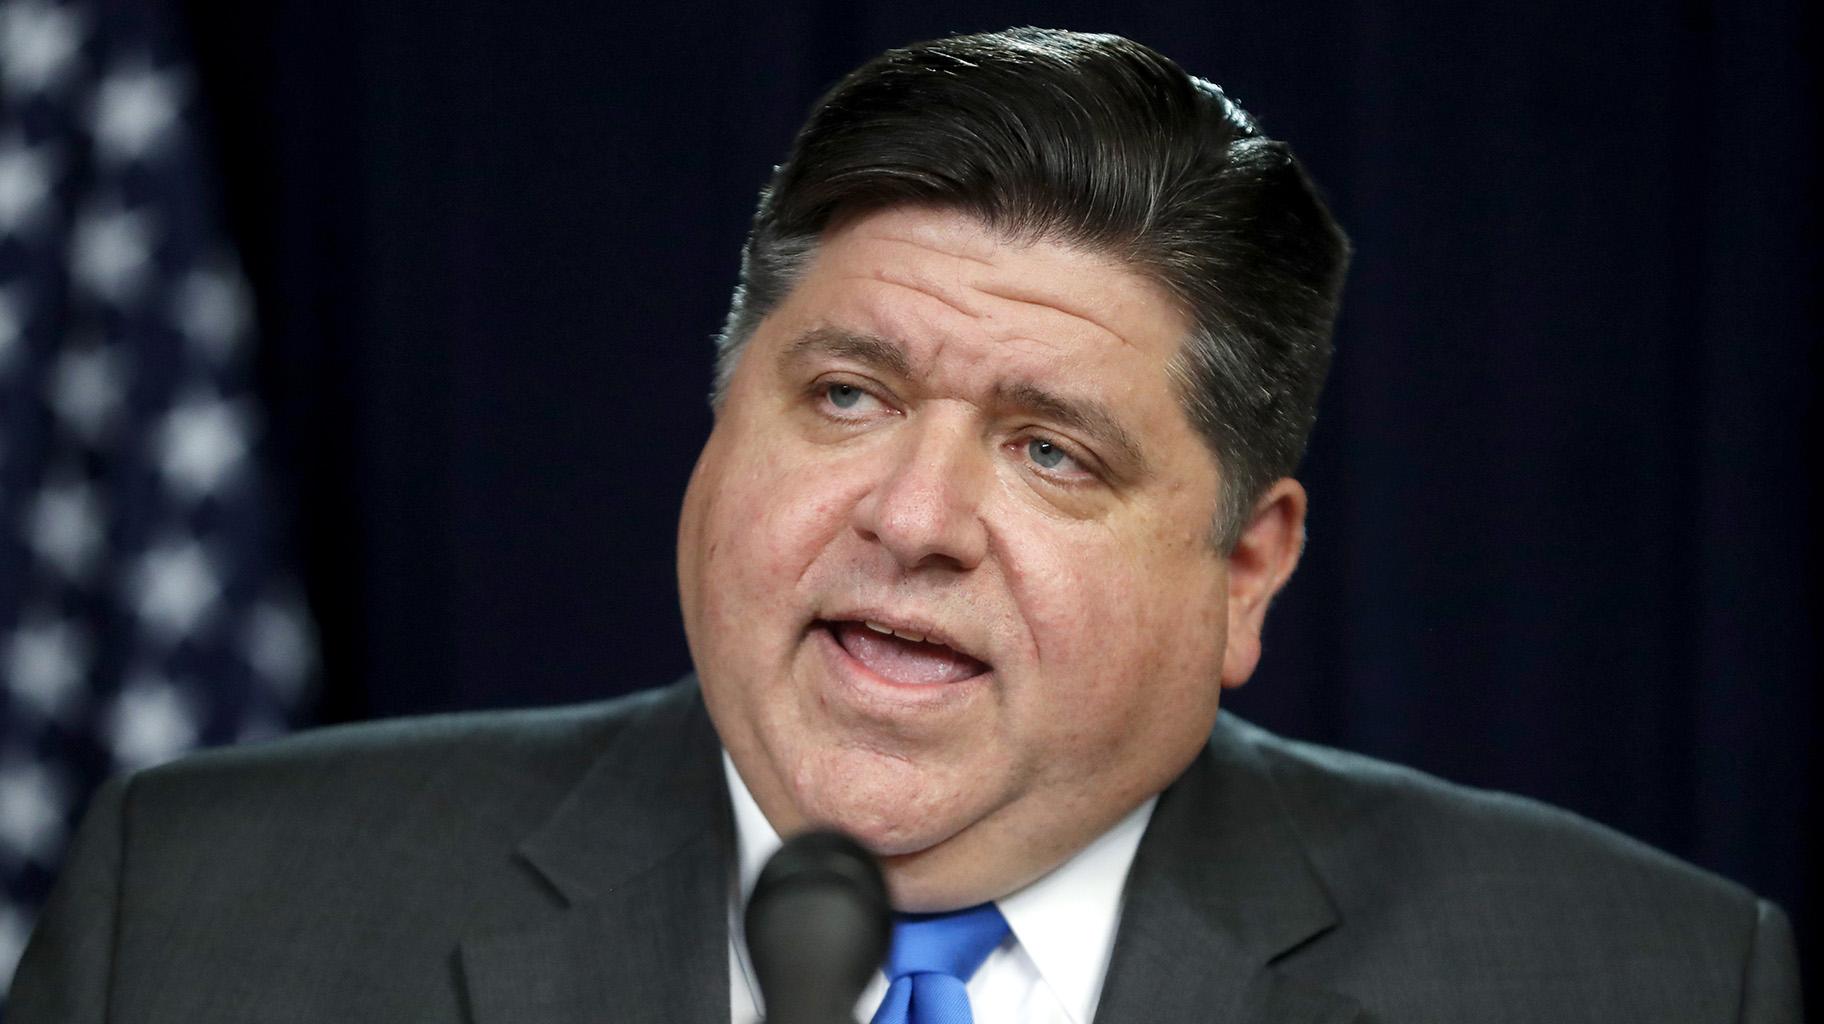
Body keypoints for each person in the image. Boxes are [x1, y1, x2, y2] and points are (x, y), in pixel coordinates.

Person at [11, 27, 1801, 1024]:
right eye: (847, 396)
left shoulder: (1630, 981)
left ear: (1245, 572)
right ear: (721, 425)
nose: (914, 516)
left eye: (1052, 453)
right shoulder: (201, 917)